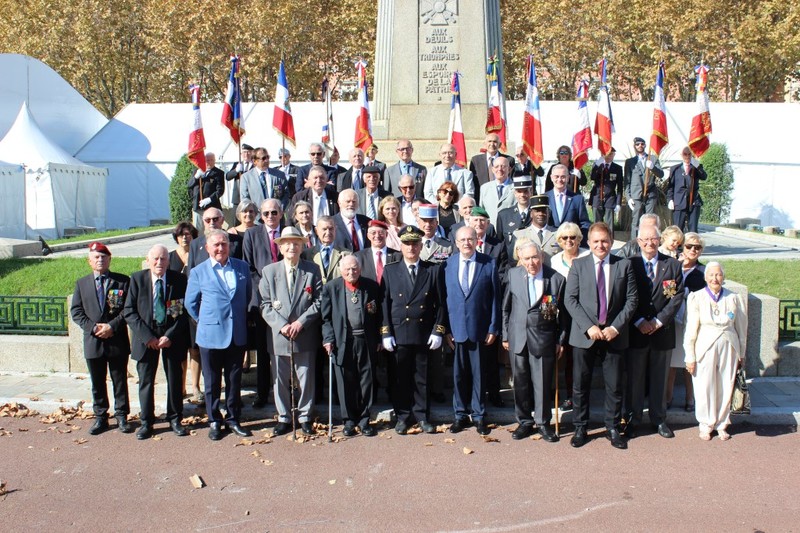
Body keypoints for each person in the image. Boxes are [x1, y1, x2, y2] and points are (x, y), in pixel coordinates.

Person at [564, 222, 637, 449]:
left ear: (612, 242)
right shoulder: (579, 265)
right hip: (585, 335)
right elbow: (570, 300)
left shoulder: (623, 265)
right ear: (588, 242)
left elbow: (631, 300)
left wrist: (615, 327)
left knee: (614, 385)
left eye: (604, 241)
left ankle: (613, 427)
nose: (600, 245)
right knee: (580, 384)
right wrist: (588, 326)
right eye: (595, 241)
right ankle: (580, 427)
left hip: (613, 334)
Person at [185, 230, 252, 440]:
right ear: (207, 248)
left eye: (224, 244)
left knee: (234, 380)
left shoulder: (241, 267)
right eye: (216, 245)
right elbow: (190, 303)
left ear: (229, 245)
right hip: (210, 335)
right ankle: (214, 420)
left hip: (236, 334)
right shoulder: (198, 272)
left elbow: (247, 295)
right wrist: (206, 320)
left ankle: (233, 419)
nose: (220, 248)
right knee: (212, 382)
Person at [381, 226, 447, 434]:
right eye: (407, 243)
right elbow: (384, 304)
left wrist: (438, 331)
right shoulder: (391, 270)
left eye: (415, 244)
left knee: (421, 377)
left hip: (423, 333)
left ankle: (421, 415)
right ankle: (402, 417)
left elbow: (441, 304)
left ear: (421, 246)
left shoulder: (432, 270)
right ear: (400, 246)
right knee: (400, 377)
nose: (411, 248)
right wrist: (385, 332)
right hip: (399, 333)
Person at [259, 227, 323, 437]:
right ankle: (284, 416)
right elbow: (265, 305)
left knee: (305, 378)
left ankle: (304, 415)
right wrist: (281, 325)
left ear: (302, 245)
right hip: (280, 335)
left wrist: (301, 322)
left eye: (296, 243)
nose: (291, 247)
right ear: (280, 246)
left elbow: (319, 300)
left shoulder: (312, 270)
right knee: (280, 378)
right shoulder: (270, 271)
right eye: (286, 243)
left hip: (304, 333)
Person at [623, 225, 684, 440]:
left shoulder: (674, 265)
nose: (650, 243)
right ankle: (633, 420)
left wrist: (658, 321)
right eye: (645, 239)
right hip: (636, 331)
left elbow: (675, 298)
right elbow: (626, 296)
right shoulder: (630, 264)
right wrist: (639, 320)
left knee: (660, 379)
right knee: (635, 381)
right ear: (638, 242)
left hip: (662, 332)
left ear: (660, 240)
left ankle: (659, 420)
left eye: (653, 239)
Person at [123, 245, 190, 439]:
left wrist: (170, 335)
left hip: (171, 335)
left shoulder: (179, 280)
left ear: (169, 261)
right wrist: (147, 337)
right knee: (146, 380)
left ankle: (175, 418)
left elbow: (185, 311)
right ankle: (146, 422)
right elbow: (129, 311)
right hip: (146, 335)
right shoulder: (137, 279)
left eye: (163, 259)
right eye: (155, 259)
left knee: (175, 379)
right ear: (148, 259)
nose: (159, 262)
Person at [502, 239, 565, 442]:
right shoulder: (512, 275)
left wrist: (560, 340)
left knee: (542, 383)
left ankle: (543, 422)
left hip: (544, 339)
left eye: (535, 257)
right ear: (520, 259)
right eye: (527, 258)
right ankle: (524, 422)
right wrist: (505, 335)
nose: (531, 262)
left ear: (542, 256)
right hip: (517, 337)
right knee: (520, 383)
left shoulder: (556, 279)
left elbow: (562, 316)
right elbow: (506, 308)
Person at [443, 226, 501, 435]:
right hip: (456, 329)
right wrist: (446, 330)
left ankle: (478, 416)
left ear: (477, 241)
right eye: (462, 240)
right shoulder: (447, 265)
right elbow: (445, 300)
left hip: (480, 328)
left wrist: (494, 327)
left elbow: (496, 298)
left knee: (479, 375)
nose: (466, 243)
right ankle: (460, 415)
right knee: (458, 375)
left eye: (470, 239)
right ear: (456, 243)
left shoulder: (489, 263)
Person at [70, 242, 132, 435]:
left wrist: (112, 326)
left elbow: (128, 309)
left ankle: (122, 415)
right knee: (97, 382)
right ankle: (101, 417)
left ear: (109, 259)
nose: (100, 260)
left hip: (116, 339)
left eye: (103, 257)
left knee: (119, 380)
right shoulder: (82, 284)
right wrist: (94, 328)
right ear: (89, 261)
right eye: (96, 257)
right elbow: (76, 311)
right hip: (93, 340)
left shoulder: (122, 281)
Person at [684, 262, 747, 441]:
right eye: (711, 275)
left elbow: (742, 328)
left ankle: (722, 423)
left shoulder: (734, 298)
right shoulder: (696, 297)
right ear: (706, 278)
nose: (715, 278)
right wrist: (690, 356)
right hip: (705, 345)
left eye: (718, 275)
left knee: (726, 384)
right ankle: (706, 423)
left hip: (729, 344)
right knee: (704, 385)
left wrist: (741, 353)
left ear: (723, 277)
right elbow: (691, 330)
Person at [321, 255, 383, 437]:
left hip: (366, 340)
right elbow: (325, 318)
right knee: (345, 381)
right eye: (347, 269)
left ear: (360, 269)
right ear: (341, 271)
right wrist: (328, 338)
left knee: (366, 381)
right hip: (342, 341)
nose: (351, 272)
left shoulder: (371, 286)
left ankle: (364, 420)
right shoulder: (331, 288)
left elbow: (378, 314)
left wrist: (379, 337)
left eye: (354, 268)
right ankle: (348, 420)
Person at [242, 198, 285, 408]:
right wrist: (267, 291)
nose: (270, 217)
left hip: (288, 300)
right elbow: (249, 268)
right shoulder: (251, 234)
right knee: (262, 349)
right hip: (262, 301)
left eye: (274, 213)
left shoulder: (288, 232)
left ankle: (287, 392)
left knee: (285, 348)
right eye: (266, 213)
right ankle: (261, 393)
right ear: (261, 214)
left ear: (281, 213)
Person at [549, 222, 589, 410]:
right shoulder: (554, 260)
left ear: (579, 239)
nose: (569, 241)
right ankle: (566, 394)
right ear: (559, 240)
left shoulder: (588, 256)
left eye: (573, 237)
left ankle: (579, 395)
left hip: (584, 313)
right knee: (565, 356)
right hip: (561, 314)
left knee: (579, 358)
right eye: (565, 238)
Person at [666, 232, 706, 411]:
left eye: (697, 247)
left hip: (693, 320)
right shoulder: (673, 265)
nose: (693, 250)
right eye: (689, 246)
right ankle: (668, 398)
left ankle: (690, 399)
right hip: (673, 318)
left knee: (690, 362)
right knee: (672, 362)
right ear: (682, 246)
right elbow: (667, 291)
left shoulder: (704, 271)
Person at [168, 221, 200, 399]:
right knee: (180, 349)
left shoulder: (198, 254)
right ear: (177, 238)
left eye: (188, 234)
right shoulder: (171, 257)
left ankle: (195, 386)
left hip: (194, 305)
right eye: (181, 235)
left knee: (195, 348)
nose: (185, 238)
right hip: (175, 307)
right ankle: (180, 387)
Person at [624, 137, 664, 235]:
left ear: (645, 145)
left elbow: (661, 174)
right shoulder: (630, 162)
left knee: (650, 221)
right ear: (634, 146)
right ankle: (635, 245)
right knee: (636, 221)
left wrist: (653, 167)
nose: (640, 146)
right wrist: (628, 197)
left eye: (642, 144)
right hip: (636, 195)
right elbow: (627, 181)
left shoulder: (653, 159)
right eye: (637, 144)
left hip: (650, 195)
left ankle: (648, 241)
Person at [546, 164, 591, 243]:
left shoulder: (577, 199)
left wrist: (579, 241)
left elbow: (585, 223)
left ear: (568, 178)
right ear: (551, 178)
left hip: (571, 244)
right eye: (556, 176)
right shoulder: (544, 198)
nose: (559, 180)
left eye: (563, 177)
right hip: (550, 244)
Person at [667, 146, 708, 233]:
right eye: (685, 154)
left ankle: (691, 245)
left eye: (689, 154)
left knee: (693, 230)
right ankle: (678, 246)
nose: (687, 156)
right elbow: (671, 186)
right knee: (677, 230)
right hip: (679, 201)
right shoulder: (675, 169)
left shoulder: (696, 168)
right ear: (681, 155)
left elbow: (704, 177)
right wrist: (670, 199)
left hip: (693, 202)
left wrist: (698, 167)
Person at [511, 194, 561, 264]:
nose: (541, 214)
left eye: (544, 211)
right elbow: (513, 261)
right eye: (537, 211)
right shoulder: (519, 235)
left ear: (548, 213)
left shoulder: (558, 233)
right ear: (531, 213)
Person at [303, 216, 351, 285]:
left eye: (331, 229)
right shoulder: (306, 255)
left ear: (335, 229)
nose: (328, 232)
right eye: (324, 229)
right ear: (316, 231)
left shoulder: (346, 254)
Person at [240, 147, 290, 212]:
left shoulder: (279, 175)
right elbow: (245, 199)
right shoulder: (246, 177)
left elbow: (286, 194)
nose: (266, 160)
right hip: (257, 219)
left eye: (267, 157)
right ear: (254, 161)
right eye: (263, 158)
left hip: (276, 218)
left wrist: (280, 209)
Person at [469, 133, 515, 202]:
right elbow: (473, 183)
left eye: (495, 142)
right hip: (482, 199)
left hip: (503, 199)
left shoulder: (509, 160)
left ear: (499, 145)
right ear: (485, 144)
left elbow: (511, 180)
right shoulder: (475, 161)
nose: (492, 144)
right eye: (489, 141)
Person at [589, 147, 623, 239]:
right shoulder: (598, 165)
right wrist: (597, 165)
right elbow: (592, 177)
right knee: (597, 224)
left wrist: (618, 203)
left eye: (611, 154)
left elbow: (620, 187)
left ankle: (609, 242)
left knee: (609, 225)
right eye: (607, 154)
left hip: (610, 199)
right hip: (597, 198)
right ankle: (595, 239)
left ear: (614, 155)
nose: (608, 157)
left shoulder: (617, 168)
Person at [496, 176, 534, 257]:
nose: (522, 195)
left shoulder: (538, 214)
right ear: (515, 193)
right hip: (512, 265)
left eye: (525, 191)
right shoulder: (504, 215)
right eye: (519, 191)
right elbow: (500, 245)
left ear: (531, 191)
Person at [187, 152, 225, 230]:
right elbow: (189, 185)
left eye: (211, 160)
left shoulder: (219, 173)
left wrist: (209, 199)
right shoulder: (196, 171)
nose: (209, 162)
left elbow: (220, 190)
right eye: (207, 160)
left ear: (215, 161)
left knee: (213, 230)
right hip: (198, 206)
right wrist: (196, 177)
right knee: (198, 230)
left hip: (212, 206)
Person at [479, 156, 516, 226]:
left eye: (503, 166)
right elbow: (482, 212)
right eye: (496, 167)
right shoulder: (484, 188)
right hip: (490, 230)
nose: (500, 169)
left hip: (510, 229)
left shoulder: (516, 188)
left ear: (509, 169)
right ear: (492, 170)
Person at [224, 143, 254, 224]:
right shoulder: (237, 164)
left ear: (252, 153)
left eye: (248, 152)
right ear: (241, 154)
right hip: (237, 199)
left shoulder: (255, 165)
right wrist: (236, 171)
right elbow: (227, 177)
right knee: (236, 222)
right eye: (244, 152)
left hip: (251, 199)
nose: (246, 154)